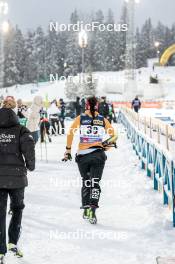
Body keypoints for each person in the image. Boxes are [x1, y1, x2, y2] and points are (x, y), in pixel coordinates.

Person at [63, 97, 117, 224]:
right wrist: (105, 147)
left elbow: (70, 133)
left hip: (83, 156)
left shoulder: (80, 118)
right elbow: (114, 136)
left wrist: (68, 151)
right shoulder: (102, 119)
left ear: (86, 106)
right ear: (97, 107)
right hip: (98, 155)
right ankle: (93, 208)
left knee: (86, 181)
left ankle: (86, 208)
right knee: (95, 183)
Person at [0, 97, 35, 263]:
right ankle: (12, 243)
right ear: (15, 110)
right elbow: (29, 147)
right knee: (17, 208)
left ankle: (0, 250)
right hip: (17, 178)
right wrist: (31, 165)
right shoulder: (21, 130)